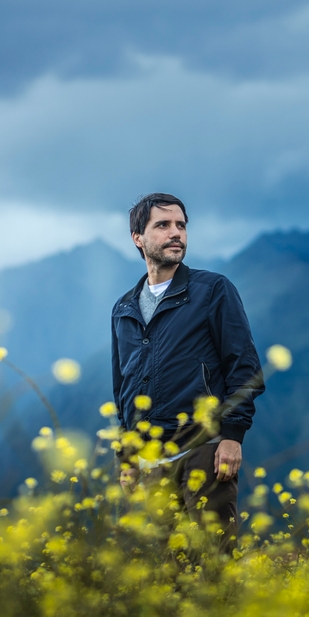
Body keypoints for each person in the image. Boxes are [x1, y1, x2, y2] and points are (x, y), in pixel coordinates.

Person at [111, 192, 263, 550]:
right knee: (167, 579)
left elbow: (244, 365)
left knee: (215, 566)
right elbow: (124, 388)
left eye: (181, 225)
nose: (175, 233)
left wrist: (232, 436)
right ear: (138, 238)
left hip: (205, 451)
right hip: (151, 461)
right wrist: (127, 455)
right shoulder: (124, 308)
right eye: (162, 225)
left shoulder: (212, 290)